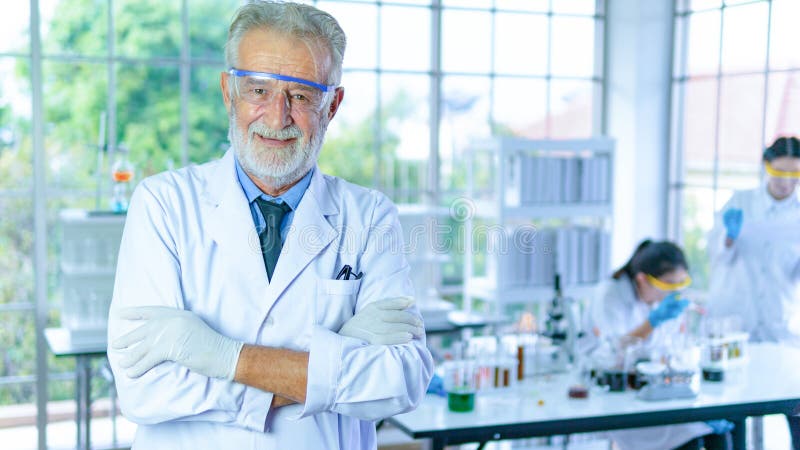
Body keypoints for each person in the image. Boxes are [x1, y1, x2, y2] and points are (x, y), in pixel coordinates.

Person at [106, 2, 434, 448]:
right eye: (258, 90)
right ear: (228, 91)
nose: (277, 117)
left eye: (300, 95)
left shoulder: (369, 216)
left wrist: (220, 356)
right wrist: (335, 357)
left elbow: (402, 379)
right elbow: (142, 390)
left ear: (332, 104)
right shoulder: (164, 205)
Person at [583, 240, 732, 450]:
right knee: (688, 438)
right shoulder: (610, 295)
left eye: (681, 284)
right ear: (642, 279)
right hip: (617, 393)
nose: (674, 292)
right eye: (668, 284)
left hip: (657, 390)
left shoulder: (662, 302)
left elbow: (669, 352)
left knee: (721, 433)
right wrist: (652, 322)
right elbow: (614, 355)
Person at [707, 136, 800, 449]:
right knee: (735, 412)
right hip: (735, 319)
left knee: (793, 407)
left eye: (794, 175)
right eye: (779, 173)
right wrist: (728, 238)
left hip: (779, 323)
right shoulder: (739, 202)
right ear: (766, 167)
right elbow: (716, 256)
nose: (786, 183)